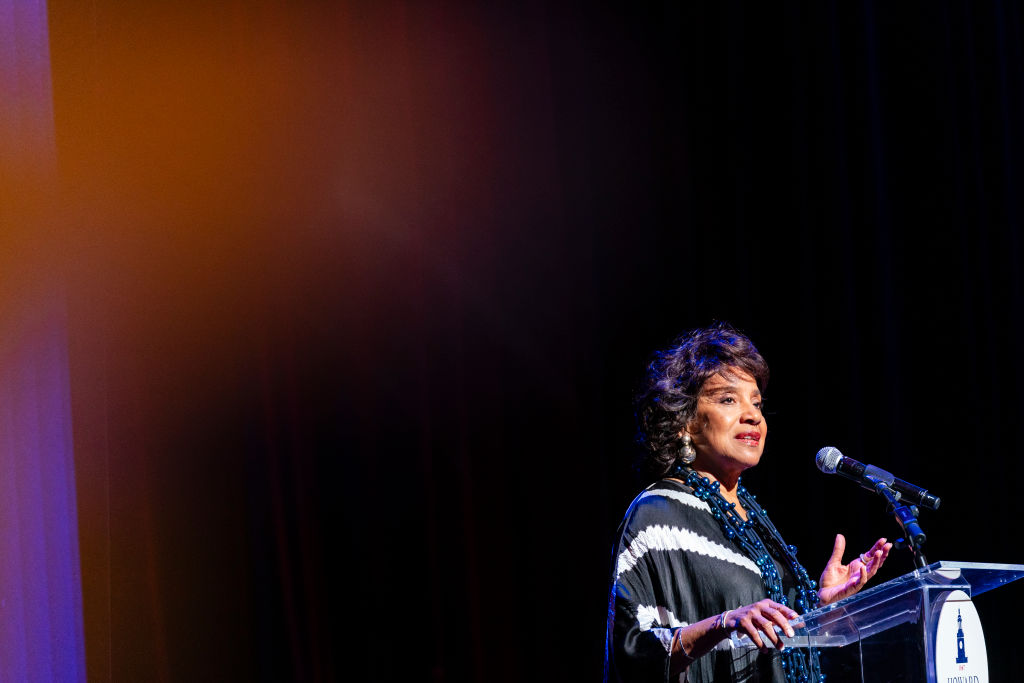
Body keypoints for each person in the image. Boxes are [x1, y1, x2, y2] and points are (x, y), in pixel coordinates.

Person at [604, 323, 892, 683]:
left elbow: (775, 642)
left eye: (756, 403)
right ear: (684, 422)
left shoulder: (752, 521)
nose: (753, 415)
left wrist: (822, 607)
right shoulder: (657, 514)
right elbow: (632, 650)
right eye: (728, 399)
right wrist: (725, 622)